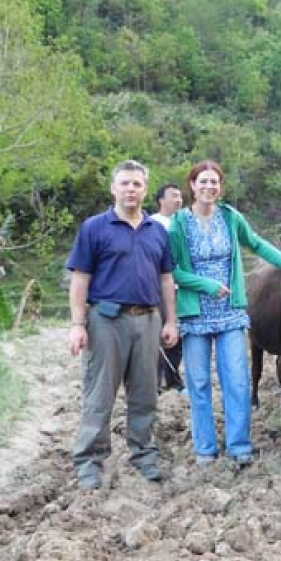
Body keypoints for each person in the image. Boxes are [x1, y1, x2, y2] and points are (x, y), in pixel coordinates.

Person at [168, 160, 281, 467]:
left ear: (220, 187)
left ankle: (239, 445)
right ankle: (206, 449)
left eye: (215, 182)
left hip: (231, 313)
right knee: (200, 383)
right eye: (203, 181)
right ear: (192, 185)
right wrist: (205, 284)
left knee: (237, 380)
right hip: (195, 315)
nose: (209, 187)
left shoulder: (231, 218)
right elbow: (172, 271)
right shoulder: (179, 224)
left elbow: (257, 244)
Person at [66, 160, 179, 489]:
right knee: (99, 395)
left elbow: (166, 278)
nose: (131, 189)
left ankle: (144, 454)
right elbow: (80, 279)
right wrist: (77, 324)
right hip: (106, 320)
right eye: (125, 183)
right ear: (113, 188)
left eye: (137, 184)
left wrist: (170, 320)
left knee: (145, 394)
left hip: (148, 320)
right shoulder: (94, 228)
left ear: (146, 190)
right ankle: (89, 461)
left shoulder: (157, 231)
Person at [151, 183, 184, 391]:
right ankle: (154, 381)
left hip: (182, 287)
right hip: (159, 287)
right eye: (174, 196)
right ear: (161, 200)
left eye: (180, 196)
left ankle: (173, 379)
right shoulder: (152, 223)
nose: (179, 200)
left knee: (177, 335)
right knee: (156, 333)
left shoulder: (185, 222)